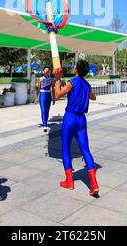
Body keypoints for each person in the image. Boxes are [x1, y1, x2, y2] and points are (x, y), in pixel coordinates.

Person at [54, 59, 99, 197]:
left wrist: (57, 80)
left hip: (70, 117)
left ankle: (69, 181)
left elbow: (57, 95)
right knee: (85, 149)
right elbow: (94, 98)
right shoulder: (87, 85)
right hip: (81, 120)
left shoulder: (72, 82)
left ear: (76, 70)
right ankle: (94, 184)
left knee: (65, 147)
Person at [34, 66, 55, 132]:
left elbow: (53, 89)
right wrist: (36, 98)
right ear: (43, 72)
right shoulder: (40, 79)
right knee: (43, 110)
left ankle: (45, 122)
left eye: (48, 71)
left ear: (50, 72)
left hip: (48, 95)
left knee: (47, 111)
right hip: (42, 95)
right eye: (45, 71)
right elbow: (38, 89)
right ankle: (44, 125)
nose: (47, 72)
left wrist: (54, 98)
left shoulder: (51, 79)